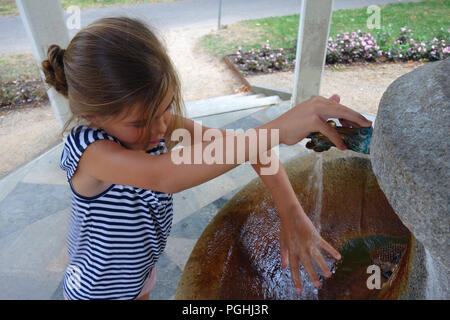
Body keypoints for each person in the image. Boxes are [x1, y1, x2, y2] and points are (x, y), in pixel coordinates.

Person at [41, 16, 372, 300]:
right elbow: (162, 176)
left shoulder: (157, 125)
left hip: (140, 272)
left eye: (167, 106)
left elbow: (245, 146)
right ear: (93, 115)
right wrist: (276, 129)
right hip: (98, 289)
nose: (160, 127)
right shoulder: (91, 153)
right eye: (140, 122)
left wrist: (292, 214)